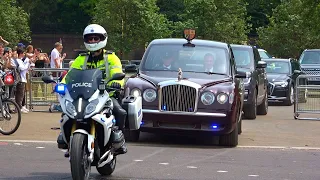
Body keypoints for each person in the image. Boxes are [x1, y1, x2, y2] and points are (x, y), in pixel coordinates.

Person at [58, 24, 127, 157]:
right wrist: (61, 84)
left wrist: (117, 83)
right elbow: (70, 75)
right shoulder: (81, 58)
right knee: (66, 113)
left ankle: (118, 139)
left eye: (96, 38)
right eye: (90, 39)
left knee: (119, 111)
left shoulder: (111, 58)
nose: (93, 41)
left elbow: (117, 72)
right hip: (84, 94)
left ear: (103, 39)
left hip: (106, 94)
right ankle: (68, 141)